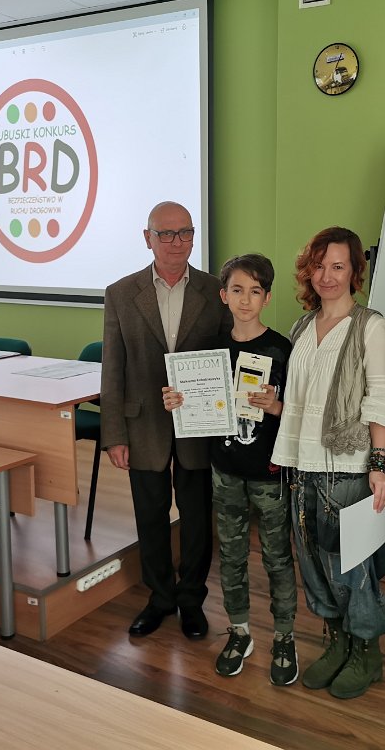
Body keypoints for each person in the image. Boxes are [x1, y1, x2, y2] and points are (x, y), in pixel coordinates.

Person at [270, 226, 385, 700]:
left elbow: (382, 397)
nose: (327, 276)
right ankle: (337, 640)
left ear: (354, 272)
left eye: (338, 266)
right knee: (312, 563)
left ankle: (366, 651)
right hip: (299, 464)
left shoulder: (372, 328)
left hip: (347, 468)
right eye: (319, 266)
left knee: (350, 567)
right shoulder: (301, 328)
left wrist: (380, 462)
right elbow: (299, 402)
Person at [162, 254, 298, 685]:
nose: (245, 300)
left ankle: (284, 636)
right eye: (237, 290)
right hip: (224, 471)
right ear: (223, 295)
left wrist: (275, 406)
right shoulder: (210, 353)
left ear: (267, 298)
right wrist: (178, 402)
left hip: (270, 473)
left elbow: (298, 412)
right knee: (233, 557)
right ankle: (239, 631)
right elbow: (196, 404)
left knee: (277, 558)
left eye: (255, 291)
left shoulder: (282, 349)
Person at [101, 201, 231, 640]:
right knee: (150, 517)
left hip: (200, 424)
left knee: (196, 519)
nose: (177, 242)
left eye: (185, 232)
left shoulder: (216, 291)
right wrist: (114, 434)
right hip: (144, 426)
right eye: (166, 234)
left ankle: (191, 599)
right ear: (148, 238)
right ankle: (159, 598)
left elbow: (228, 357)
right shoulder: (121, 293)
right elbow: (113, 368)